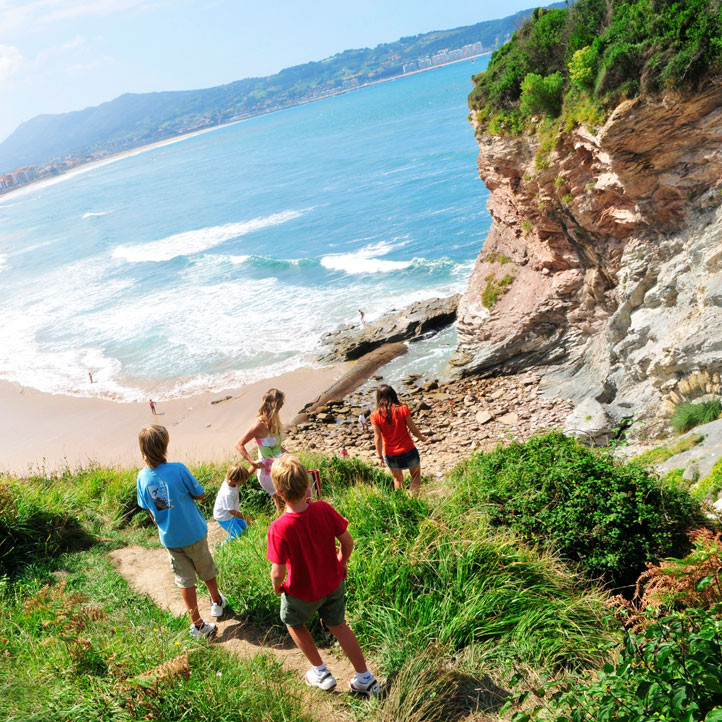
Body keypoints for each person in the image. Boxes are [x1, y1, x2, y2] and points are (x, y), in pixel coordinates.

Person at [267, 454, 379, 696]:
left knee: (294, 623)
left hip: (301, 591)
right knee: (339, 625)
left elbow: (278, 571)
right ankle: (365, 678)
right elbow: (347, 541)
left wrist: (277, 587)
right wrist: (342, 561)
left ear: (277, 491)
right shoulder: (324, 509)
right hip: (333, 583)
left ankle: (320, 671)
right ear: (307, 485)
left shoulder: (279, 527)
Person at [136, 424, 227, 638]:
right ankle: (216, 601)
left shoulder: (142, 477)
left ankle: (198, 625)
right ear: (165, 446)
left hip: (170, 537)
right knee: (206, 569)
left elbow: (148, 506)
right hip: (193, 532)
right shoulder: (178, 469)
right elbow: (200, 494)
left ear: (143, 450)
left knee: (185, 581)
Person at [235, 388, 286, 513]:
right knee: (281, 504)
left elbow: (277, 446)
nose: (282, 406)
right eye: (280, 403)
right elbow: (239, 444)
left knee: (288, 501)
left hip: (281, 466)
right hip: (268, 472)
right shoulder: (258, 425)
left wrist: (291, 457)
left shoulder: (275, 421)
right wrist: (252, 462)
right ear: (273, 405)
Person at [371, 384, 427, 495]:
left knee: (397, 479)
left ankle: (401, 504)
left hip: (390, 453)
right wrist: (422, 438)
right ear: (393, 394)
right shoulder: (403, 409)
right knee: (415, 476)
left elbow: (377, 438)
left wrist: (379, 457)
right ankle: (413, 500)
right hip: (408, 449)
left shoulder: (375, 415)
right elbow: (413, 430)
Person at [213, 463, 254, 543]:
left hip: (233, 513)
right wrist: (246, 517)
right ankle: (222, 547)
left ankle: (237, 536)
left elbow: (247, 474)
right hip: (224, 517)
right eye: (243, 480)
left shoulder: (232, 481)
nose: (245, 482)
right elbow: (231, 511)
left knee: (245, 529)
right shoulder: (227, 493)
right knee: (237, 534)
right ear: (235, 480)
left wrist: (254, 467)